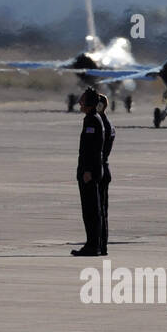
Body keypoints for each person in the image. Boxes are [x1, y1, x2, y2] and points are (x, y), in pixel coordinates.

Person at [71, 88, 105, 257]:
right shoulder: (92, 119)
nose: (80, 103)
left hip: (89, 173)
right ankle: (94, 244)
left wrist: (88, 171)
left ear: (90, 103)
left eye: (83, 100)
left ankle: (93, 245)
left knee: (91, 211)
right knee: (91, 210)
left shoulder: (92, 121)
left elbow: (92, 150)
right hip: (90, 171)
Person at [96, 92, 114, 256]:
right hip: (103, 168)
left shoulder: (101, 124)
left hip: (98, 169)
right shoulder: (107, 123)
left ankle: (98, 244)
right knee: (102, 210)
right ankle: (102, 245)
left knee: (97, 210)